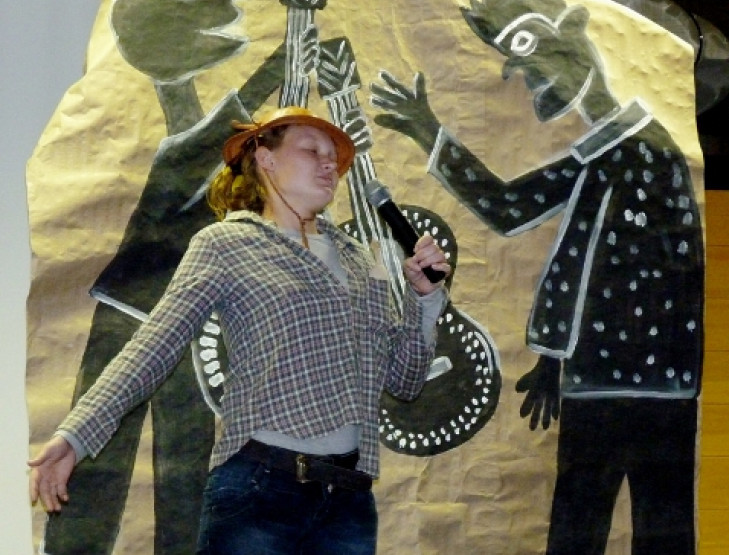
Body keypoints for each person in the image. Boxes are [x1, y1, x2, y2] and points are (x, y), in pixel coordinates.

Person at [29, 105, 451, 555]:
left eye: (335, 156)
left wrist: (423, 300)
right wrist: (75, 435)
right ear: (265, 159)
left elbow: (404, 383)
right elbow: (153, 347)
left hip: (348, 500)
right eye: (312, 149)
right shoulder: (227, 243)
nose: (330, 163)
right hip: (259, 490)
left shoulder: (355, 257)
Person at [369, 0, 704, 553]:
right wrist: (430, 131)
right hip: (603, 379)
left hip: (649, 388)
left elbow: (622, 268)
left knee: (650, 529)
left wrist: (556, 351)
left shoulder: (649, 152)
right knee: (583, 525)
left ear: (579, 47)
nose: (529, 81)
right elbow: (514, 211)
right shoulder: (605, 153)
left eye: (535, 62)